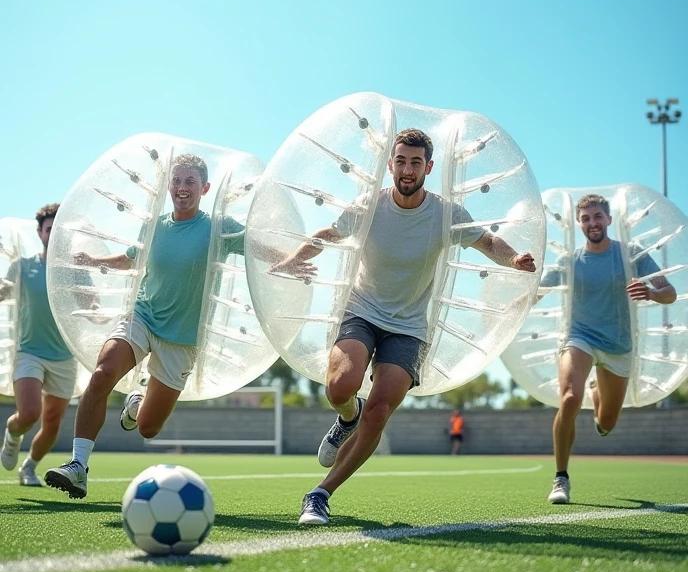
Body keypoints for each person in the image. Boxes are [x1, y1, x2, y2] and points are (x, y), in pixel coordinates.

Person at [272, 128, 537, 525]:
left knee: (379, 412)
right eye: (401, 161)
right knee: (340, 387)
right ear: (391, 164)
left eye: (416, 163)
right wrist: (295, 257)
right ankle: (347, 416)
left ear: (428, 167)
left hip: (409, 327)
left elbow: (487, 242)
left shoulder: (447, 214)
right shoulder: (370, 205)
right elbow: (329, 232)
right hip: (362, 311)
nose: (407, 169)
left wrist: (514, 260)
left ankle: (320, 493)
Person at [45, 154, 245, 499]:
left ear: (205, 188)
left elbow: (256, 249)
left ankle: (138, 401)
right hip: (143, 315)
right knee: (103, 372)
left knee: (149, 428)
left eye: (190, 182)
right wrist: (95, 261)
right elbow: (130, 258)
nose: (182, 188)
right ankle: (78, 466)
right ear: (169, 185)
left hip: (182, 338)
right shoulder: (153, 226)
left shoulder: (219, 228)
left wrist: (291, 262)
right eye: (177, 181)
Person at [546, 193, 676, 505]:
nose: (592, 223)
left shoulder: (630, 255)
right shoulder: (571, 261)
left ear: (608, 219)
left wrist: (650, 292)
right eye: (586, 218)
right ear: (579, 223)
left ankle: (597, 390)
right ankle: (561, 478)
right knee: (569, 397)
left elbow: (669, 293)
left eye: (597, 217)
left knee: (606, 423)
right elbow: (537, 290)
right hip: (580, 337)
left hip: (618, 345)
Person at [0, 204, 78, 486]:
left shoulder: (73, 271)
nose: (53, 233)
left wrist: (93, 306)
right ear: (40, 232)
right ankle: (12, 434)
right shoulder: (22, 267)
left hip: (64, 356)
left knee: (53, 421)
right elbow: (4, 291)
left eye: (59, 229)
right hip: (29, 351)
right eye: (49, 229)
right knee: (30, 413)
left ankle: (29, 466)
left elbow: (88, 302)